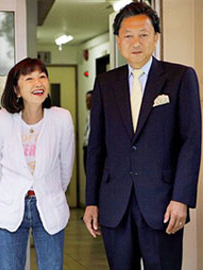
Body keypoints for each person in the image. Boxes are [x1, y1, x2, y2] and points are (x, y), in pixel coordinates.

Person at [83, 2, 201, 270]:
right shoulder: (105, 83)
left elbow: (191, 142)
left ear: (156, 37)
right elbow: (97, 147)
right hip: (115, 204)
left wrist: (182, 198)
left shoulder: (180, 77)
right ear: (118, 40)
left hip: (163, 203)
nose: (136, 42)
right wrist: (91, 201)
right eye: (128, 35)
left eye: (144, 34)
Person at [0, 58, 75, 270]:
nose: (38, 83)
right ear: (17, 90)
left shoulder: (61, 118)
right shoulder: (2, 119)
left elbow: (66, 167)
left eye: (42, 77)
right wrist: (15, 188)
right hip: (11, 205)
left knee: (52, 267)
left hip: (49, 204)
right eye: (30, 78)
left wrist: (48, 190)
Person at [83, 90, 93, 172]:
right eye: (86, 100)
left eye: (90, 100)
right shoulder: (88, 114)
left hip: (91, 148)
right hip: (86, 147)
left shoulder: (96, 115)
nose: (88, 103)